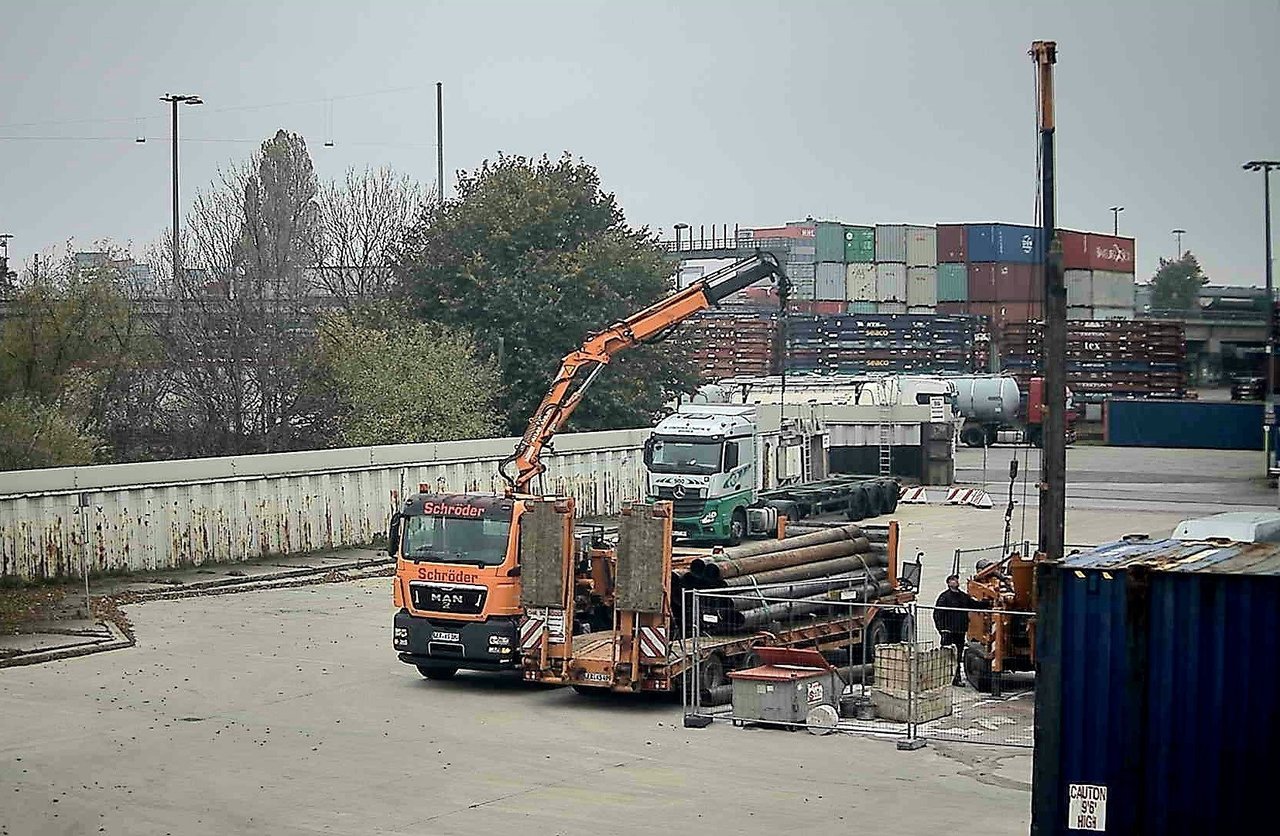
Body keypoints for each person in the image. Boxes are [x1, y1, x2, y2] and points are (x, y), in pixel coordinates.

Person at [934, 574, 987, 686]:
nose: (956, 581)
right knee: (947, 656)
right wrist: (942, 630)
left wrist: (987, 603)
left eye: (956, 580)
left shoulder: (963, 596)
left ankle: (956, 678)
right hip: (948, 632)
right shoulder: (944, 597)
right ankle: (945, 678)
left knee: (958, 656)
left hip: (960, 631)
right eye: (953, 580)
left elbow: (974, 605)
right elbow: (937, 614)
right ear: (948, 583)